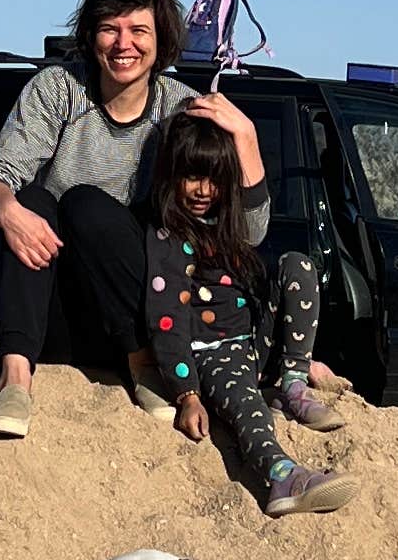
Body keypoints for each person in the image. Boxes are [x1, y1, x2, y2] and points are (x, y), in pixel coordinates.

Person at [0, 0, 269, 442]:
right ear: (91, 37)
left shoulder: (182, 110)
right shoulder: (58, 91)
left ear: (161, 38)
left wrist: (247, 140)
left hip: (148, 315)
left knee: (88, 205)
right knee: (33, 201)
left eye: (138, 30)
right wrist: (7, 211)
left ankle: (144, 365)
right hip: (57, 310)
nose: (123, 43)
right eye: (110, 29)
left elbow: (247, 234)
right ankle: (15, 382)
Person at [144, 109, 352, 518]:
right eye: (192, 177)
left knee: (298, 266)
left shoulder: (229, 224)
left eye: (215, 178)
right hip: (212, 354)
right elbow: (166, 321)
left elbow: (257, 200)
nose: (204, 190)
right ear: (172, 177)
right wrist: (187, 395)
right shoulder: (168, 238)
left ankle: (293, 386)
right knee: (247, 407)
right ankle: (283, 475)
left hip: (252, 345)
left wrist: (245, 130)